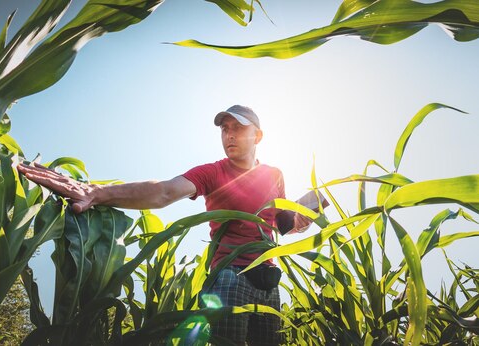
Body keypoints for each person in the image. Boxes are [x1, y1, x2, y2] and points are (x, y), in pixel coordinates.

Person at [17, 105, 312, 345]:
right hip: (230, 277)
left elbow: (278, 224)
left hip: (270, 282)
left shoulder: (274, 174)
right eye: (225, 129)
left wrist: (303, 219)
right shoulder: (211, 173)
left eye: (238, 128)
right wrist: (97, 192)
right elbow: (164, 192)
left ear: (257, 135)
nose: (229, 135)